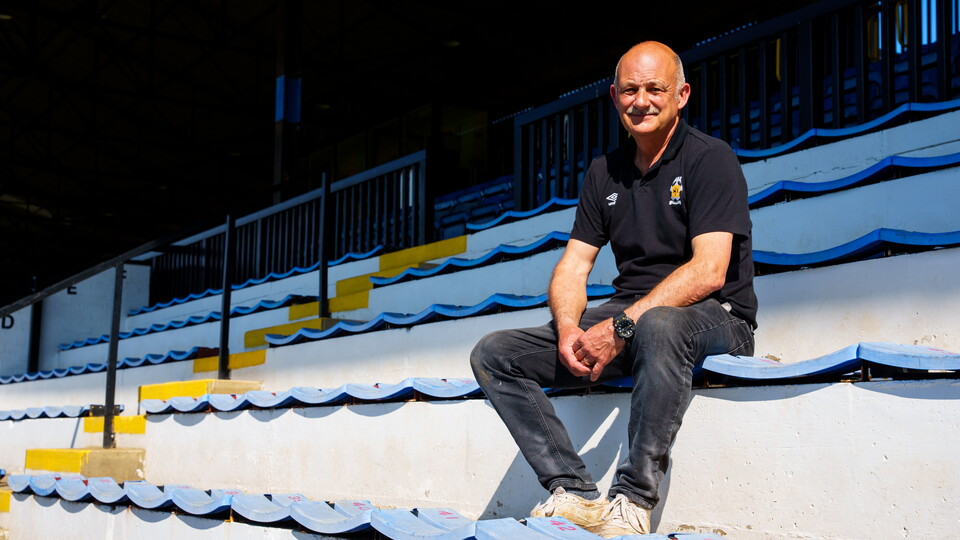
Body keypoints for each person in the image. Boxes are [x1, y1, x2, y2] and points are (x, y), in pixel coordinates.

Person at [470, 41, 758, 537]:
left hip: (716, 317)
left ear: (682, 95)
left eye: (655, 89)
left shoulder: (711, 159)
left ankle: (633, 498)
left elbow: (710, 271)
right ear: (613, 95)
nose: (640, 101)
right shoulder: (603, 171)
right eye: (629, 89)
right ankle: (573, 491)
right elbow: (573, 267)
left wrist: (623, 324)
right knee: (496, 353)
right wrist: (565, 329)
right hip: (636, 322)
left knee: (660, 325)